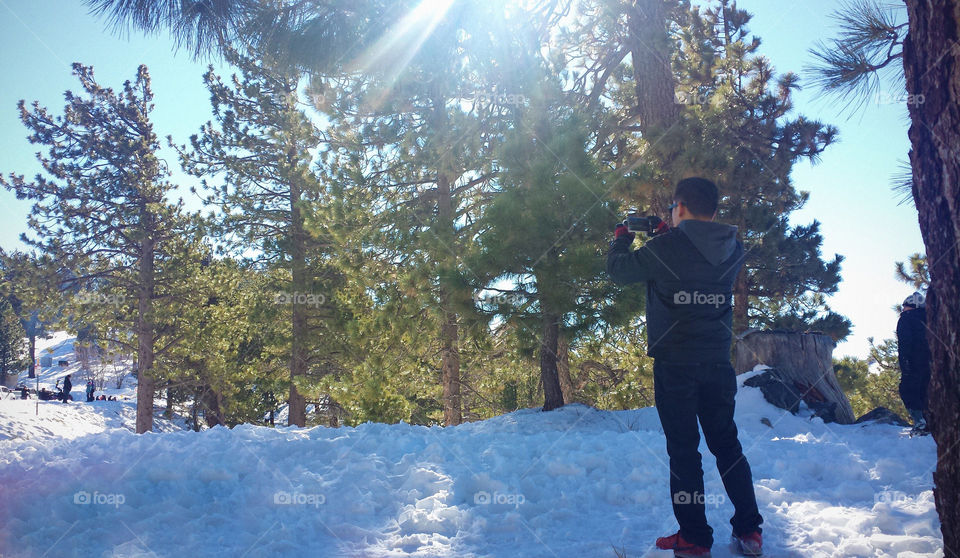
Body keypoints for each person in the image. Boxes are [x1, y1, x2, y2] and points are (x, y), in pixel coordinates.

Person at [607, 177, 764, 557]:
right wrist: (669, 232)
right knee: (727, 445)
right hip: (716, 362)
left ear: (679, 207)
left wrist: (623, 235)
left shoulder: (667, 247)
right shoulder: (734, 248)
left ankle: (694, 537)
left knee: (684, 450)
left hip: (676, 364)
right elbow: (697, 255)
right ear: (713, 210)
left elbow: (618, 270)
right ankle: (750, 530)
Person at [896, 291, 931, 433]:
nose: (903, 309)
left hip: (913, 360)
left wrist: (904, 361)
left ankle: (920, 422)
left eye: (905, 306)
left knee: (907, 390)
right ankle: (928, 422)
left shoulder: (906, 319)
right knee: (923, 391)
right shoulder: (929, 319)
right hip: (929, 361)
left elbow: (905, 341)